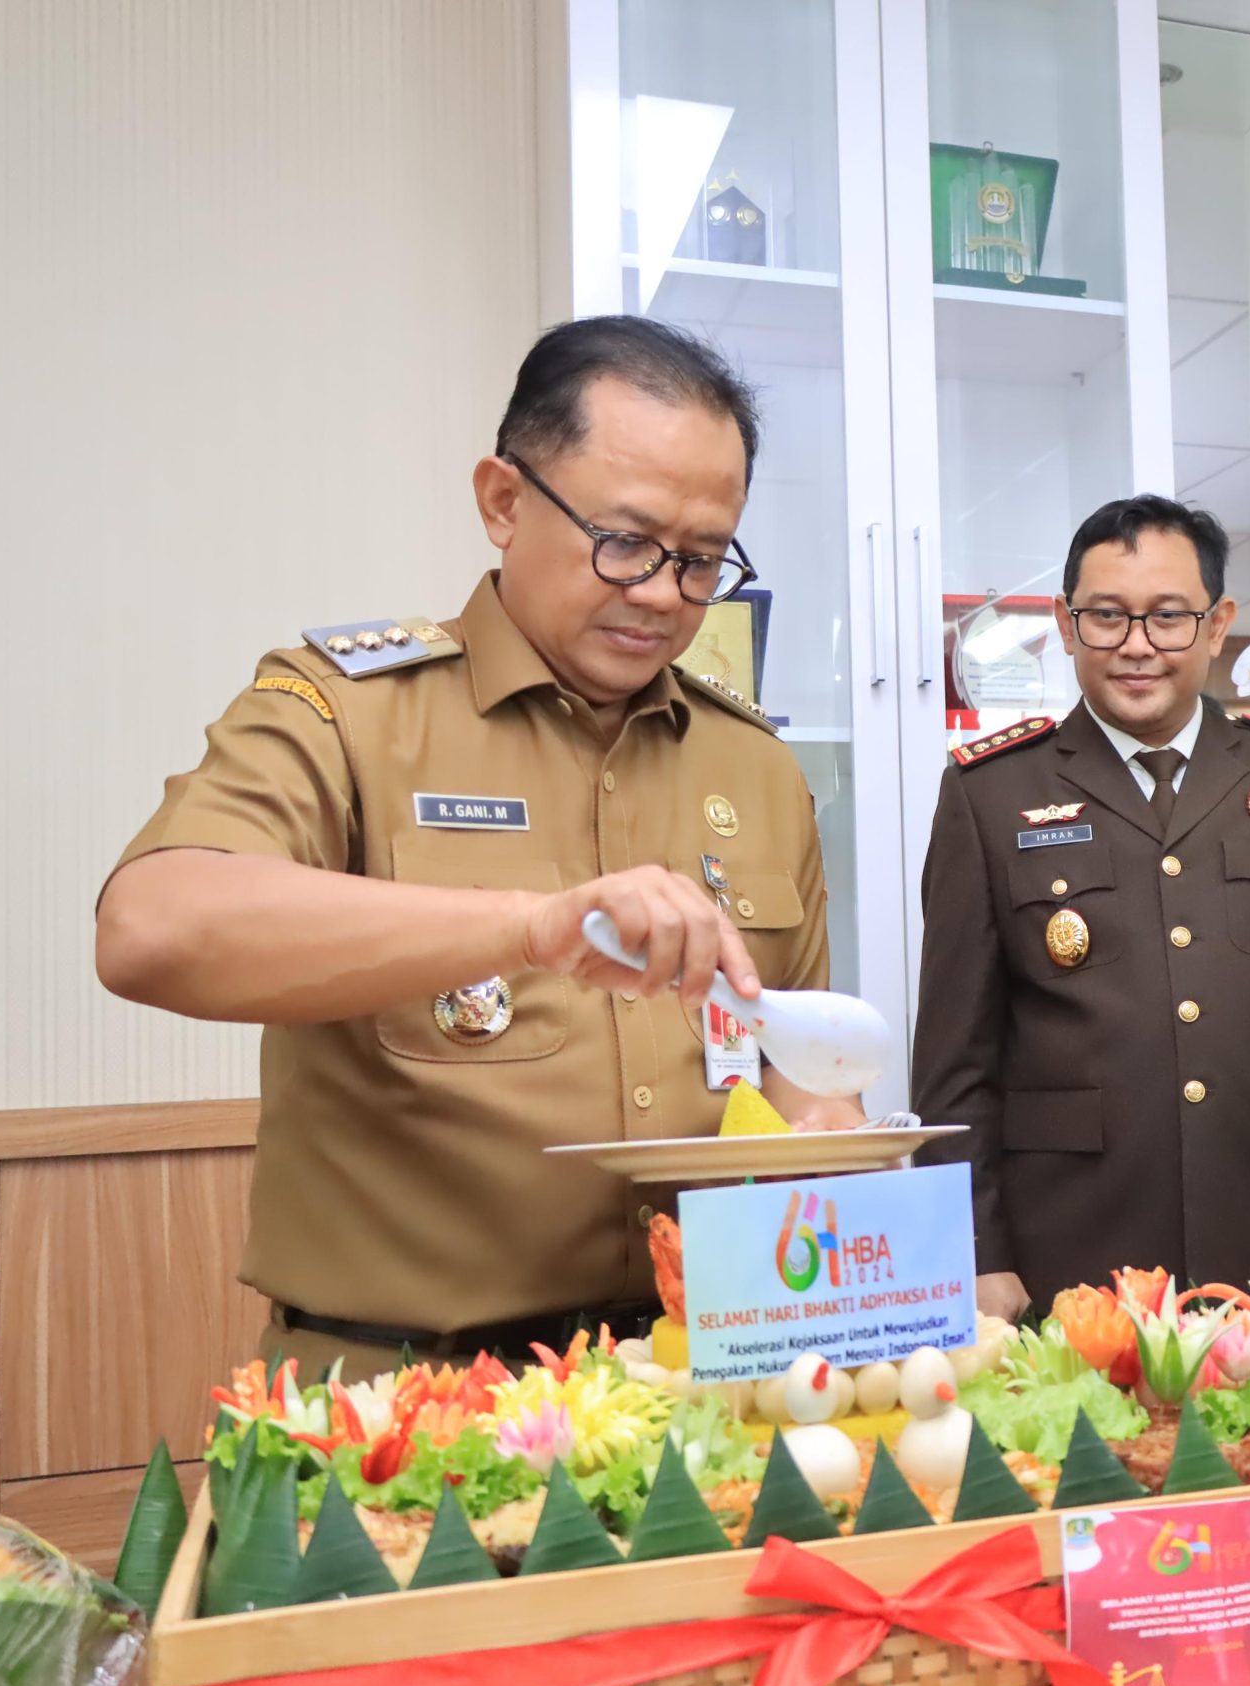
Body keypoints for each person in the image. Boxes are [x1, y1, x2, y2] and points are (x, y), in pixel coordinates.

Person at [96, 316, 863, 1377]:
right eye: (627, 542)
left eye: (700, 561)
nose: (659, 594)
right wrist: (525, 926)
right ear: (504, 502)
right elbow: (151, 928)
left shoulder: (756, 769)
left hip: (704, 1379)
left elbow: (791, 1073)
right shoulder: (349, 714)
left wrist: (831, 1137)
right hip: (410, 1397)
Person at [911, 496, 1250, 1319]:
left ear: (1217, 625)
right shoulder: (991, 794)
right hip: (1068, 1257)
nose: (1137, 645)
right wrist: (972, 1253)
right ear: (1065, 626)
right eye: (1106, 617)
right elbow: (954, 1065)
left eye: (1168, 617)